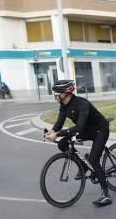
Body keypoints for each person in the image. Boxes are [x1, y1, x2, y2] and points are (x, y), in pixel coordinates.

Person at [45, 79, 111, 207]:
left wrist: (57, 134)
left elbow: (78, 128)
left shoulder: (82, 104)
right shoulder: (63, 106)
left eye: (56, 93)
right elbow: (59, 123)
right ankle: (83, 165)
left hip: (100, 130)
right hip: (87, 131)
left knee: (94, 160)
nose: (55, 96)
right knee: (62, 144)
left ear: (65, 93)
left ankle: (106, 194)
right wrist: (51, 132)